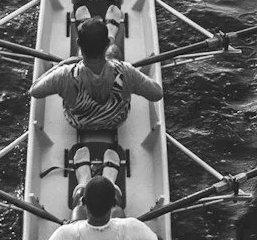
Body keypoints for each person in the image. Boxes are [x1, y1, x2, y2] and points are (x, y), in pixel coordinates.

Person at [30, 16, 163, 168]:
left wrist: (61, 65)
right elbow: (157, 93)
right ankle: (115, 28)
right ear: (106, 43)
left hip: (78, 122)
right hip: (116, 120)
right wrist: (132, 79)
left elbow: (35, 90)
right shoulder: (126, 71)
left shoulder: (64, 74)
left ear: (79, 44)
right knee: (115, 53)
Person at [33, 173, 168, 240]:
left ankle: (83, 178)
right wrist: (142, 235)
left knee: (77, 212)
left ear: (84, 202)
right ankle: (110, 176)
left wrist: (67, 231)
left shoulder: (63, 235)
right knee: (119, 213)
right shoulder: (134, 227)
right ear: (114, 202)